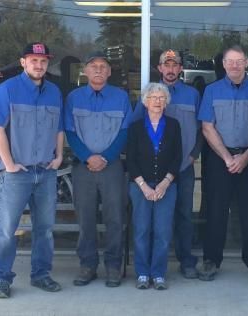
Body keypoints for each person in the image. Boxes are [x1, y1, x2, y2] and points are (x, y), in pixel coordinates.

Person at [0, 42, 64, 299]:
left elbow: (59, 128)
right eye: (33, 60)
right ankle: (2, 279)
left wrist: (59, 155)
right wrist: (8, 164)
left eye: (43, 61)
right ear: (23, 62)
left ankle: (41, 275)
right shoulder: (6, 90)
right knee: (7, 230)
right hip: (17, 173)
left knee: (45, 229)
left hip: (46, 172)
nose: (39, 65)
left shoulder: (54, 92)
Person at [131, 49, 203, 278]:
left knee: (184, 215)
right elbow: (135, 130)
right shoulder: (150, 94)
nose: (171, 69)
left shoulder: (192, 95)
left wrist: (194, 155)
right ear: (159, 68)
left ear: (181, 69)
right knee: (150, 222)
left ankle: (185, 261)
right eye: (166, 65)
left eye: (175, 65)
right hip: (154, 171)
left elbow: (203, 127)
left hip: (183, 166)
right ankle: (149, 266)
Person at [196, 45, 248, 281]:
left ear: (247, 62)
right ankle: (211, 261)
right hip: (219, 160)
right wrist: (227, 157)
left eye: (239, 61)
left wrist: (245, 157)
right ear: (223, 64)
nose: (234, 65)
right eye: (230, 61)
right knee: (216, 212)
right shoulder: (212, 91)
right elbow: (207, 126)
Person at [65, 51, 130, 288]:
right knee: (86, 218)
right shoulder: (74, 97)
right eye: (94, 66)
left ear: (110, 72)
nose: (99, 70)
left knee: (115, 217)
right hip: (83, 168)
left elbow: (125, 131)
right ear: (85, 70)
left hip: (112, 166)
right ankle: (87, 265)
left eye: (103, 66)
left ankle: (113, 266)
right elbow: (70, 132)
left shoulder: (121, 97)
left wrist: (106, 157)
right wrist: (87, 157)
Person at [127, 82, 183, 290]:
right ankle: (142, 273)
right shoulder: (135, 128)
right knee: (141, 230)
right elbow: (131, 160)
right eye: (153, 98)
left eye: (161, 98)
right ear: (146, 101)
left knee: (162, 231)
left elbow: (178, 157)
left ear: (166, 101)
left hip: (166, 187)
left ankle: (158, 273)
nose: (157, 101)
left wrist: (166, 183)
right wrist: (143, 186)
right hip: (140, 186)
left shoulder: (174, 125)